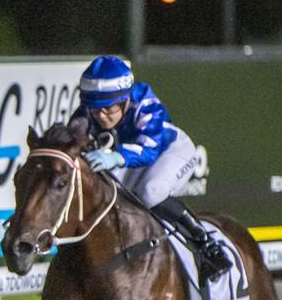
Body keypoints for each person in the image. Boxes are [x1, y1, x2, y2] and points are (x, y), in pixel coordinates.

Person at [69, 55, 231, 280]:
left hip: (169, 152)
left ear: (125, 99)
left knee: (151, 191)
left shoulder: (145, 103)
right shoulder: (89, 110)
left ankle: (207, 245)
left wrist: (115, 157)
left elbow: (149, 149)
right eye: (95, 109)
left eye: (108, 108)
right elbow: (72, 137)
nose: (101, 116)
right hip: (129, 156)